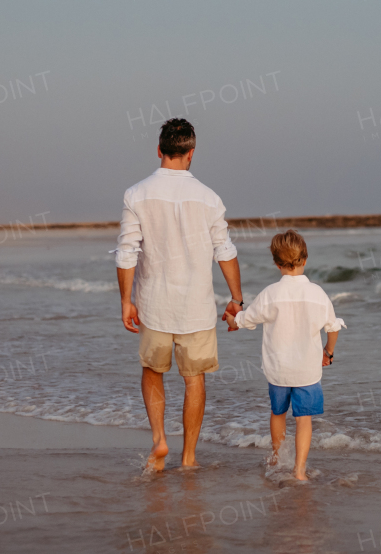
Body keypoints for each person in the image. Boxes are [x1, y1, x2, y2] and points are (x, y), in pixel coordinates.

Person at [114, 118, 245, 472]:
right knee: (194, 379)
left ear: (159, 151)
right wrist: (237, 300)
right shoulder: (208, 197)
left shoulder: (136, 194)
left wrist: (126, 301)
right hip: (196, 307)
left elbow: (127, 252)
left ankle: (159, 440)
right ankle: (189, 458)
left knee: (152, 371)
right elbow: (225, 251)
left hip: (153, 303)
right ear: (191, 153)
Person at [225, 230, 345, 481]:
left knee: (278, 413)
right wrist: (328, 351)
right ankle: (299, 470)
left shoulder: (270, 294)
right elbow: (332, 328)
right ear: (305, 259)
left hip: (278, 370)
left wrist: (231, 318)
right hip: (306, 371)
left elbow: (245, 320)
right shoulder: (317, 294)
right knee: (304, 419)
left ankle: (278, 458)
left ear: (276, 263)